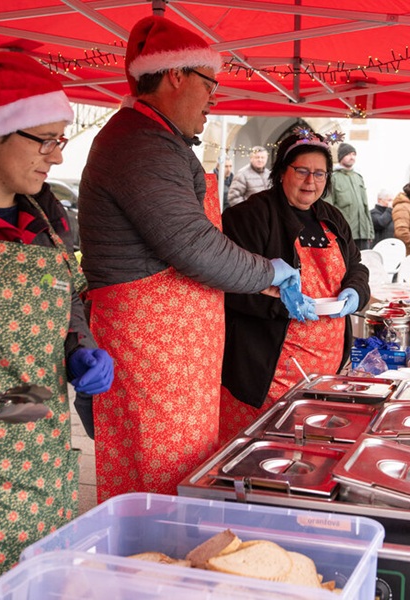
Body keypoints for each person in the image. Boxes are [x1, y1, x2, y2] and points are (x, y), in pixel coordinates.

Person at [78, 16, 301, 502]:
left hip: (173, 355)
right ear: (175, 75)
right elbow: (192, 244)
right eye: (209, 83)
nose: (214, 98)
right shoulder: (139, 143)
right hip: (151, 351)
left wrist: (264, 279)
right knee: (158, 483)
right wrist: (267, 270)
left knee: (177, 474)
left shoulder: (157, 139)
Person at [0, 50, 114, 596]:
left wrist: (80, 347)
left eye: (59, 140)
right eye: (44, 140)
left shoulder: (48, 216)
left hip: (41, 462)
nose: (56, 156)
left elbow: (69, 301)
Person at [219, 129, 370, 439]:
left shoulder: (333, 218)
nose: (310, 181)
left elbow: (356, 266)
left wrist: (356, 291)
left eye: (319, 173)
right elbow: (229, 286)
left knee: (311, 450)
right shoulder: (249, 217)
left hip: (327, 369)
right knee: (261, 451)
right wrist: (282, 306)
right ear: (281, 171)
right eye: (302, 171)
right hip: (267, 372)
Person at [326, 142, 373, 249]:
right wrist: (332, 231)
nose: (352, 157)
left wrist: (370, 232)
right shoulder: (333, 178)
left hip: (363, 234)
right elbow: (328, 208)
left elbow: (365, 207)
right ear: (341, 157)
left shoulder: (358, 177)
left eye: (353, 154)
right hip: (344, 233)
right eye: (348, 154)